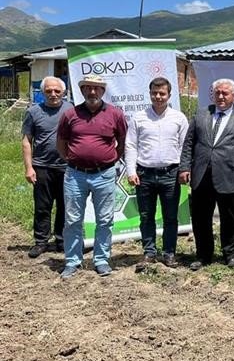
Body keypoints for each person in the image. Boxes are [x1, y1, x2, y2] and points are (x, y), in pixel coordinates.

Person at [179, 78, 234, 270]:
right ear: (213, 94)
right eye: (218, 93)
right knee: (200, 218)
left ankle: (230, 254)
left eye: (225, 93)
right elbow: (189, 143)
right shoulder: (200, 114)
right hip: (202, 175)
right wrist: (184, 167)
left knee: (231, 218)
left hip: (230, 175)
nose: (221, 96)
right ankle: (203, 255)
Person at [56, 75, 128, 279]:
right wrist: (72, 159)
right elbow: (61, 143)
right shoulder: (70, 114)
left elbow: (122, 142)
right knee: (72, 220)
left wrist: (111, 160)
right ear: (82, 91)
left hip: (104, 174)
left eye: (96, 88)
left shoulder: (115, 114)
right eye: (88, 88)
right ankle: (72, 261)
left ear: (103, 91)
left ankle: (101, 260)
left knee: (105, 220)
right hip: (75, 175)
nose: (92, 92)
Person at [124, 77, 188, 268]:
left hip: (171, 173)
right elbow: (130, 145)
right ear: (150, 93)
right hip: (144, 174)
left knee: (170, 217)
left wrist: (184, 169)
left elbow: (185, 146)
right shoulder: (139, 117)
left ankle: (169, 253)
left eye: (162, 93)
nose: (158, 97)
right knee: (146, 216)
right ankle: (149, 253)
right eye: (154, 93)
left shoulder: (179, 118)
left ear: (169, 95)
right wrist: (131, 170)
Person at [22, 76, 72, 258]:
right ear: (42, 92)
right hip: (41, 166)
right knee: (42, 206)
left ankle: (61, 240)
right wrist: (29, 168)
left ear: (63, 92)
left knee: (65, 205)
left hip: (66, 167)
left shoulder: (71, 109)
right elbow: (27, 141)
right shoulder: (33, 112)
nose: (53, 94)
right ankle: (41, 241)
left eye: (57, 91)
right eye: (49, 91)